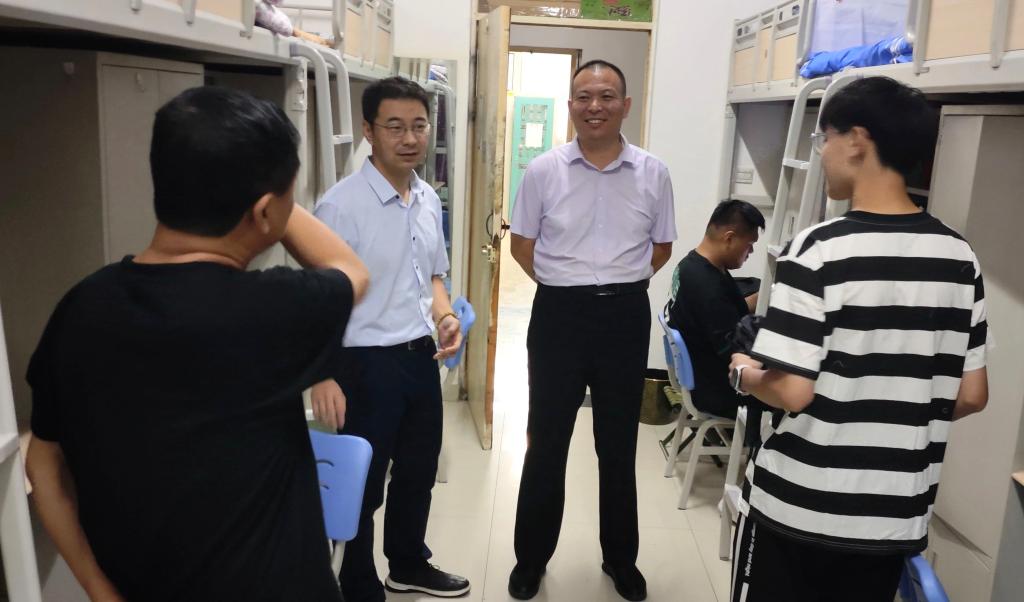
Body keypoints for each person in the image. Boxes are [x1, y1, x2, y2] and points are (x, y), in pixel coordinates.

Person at [24, 86, 369, 602]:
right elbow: (352, 272)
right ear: (265, 212)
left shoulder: (80, 307)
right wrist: (274, 194)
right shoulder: (273, 310)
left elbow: (43, 464)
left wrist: (97, 588)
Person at [727, 77, 991, 601]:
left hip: (802, 507)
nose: (822, 152)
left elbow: (792, 391)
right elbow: (971, 394)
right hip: (893, 516)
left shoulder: (818, 250)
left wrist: (743, 374)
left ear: (856, 140)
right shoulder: (960, 258)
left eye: (824, 138)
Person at [507, 59, 676, 602]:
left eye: (606, 96)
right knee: (545, 442)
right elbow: (522, 245)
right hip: (558, 317)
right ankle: (531, 559)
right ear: (571, 105)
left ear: (626, 105)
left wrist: (617, 285)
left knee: (618, 445)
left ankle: (620, 559)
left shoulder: (653, 172)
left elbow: (662, 247)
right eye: (583, 96)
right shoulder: (543, 171)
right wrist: (567, 285)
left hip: (624, 317)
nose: (594, 106)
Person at [312, 76, 469, 601]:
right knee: (363, 484)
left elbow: (433, 277)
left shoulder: (426, 198)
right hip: (364, 364)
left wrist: (444, 317)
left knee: (418, 471)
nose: (410, 138)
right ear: (369, 131)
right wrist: (323, 374)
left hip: (419, 357)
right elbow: (320, 301)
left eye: (419, 126)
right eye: (395, 127)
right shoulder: (340, 207)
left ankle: (407, 564)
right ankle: (357, 584)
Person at [666, 199, 764, 419]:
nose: (751, 251)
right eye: (749, 244)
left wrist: (766, 295)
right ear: (729, 238)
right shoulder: (707, 285)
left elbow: (733, 309)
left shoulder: (693, 265)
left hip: (701, 375)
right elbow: (733, 351)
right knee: (791, 386)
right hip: (716, 389)